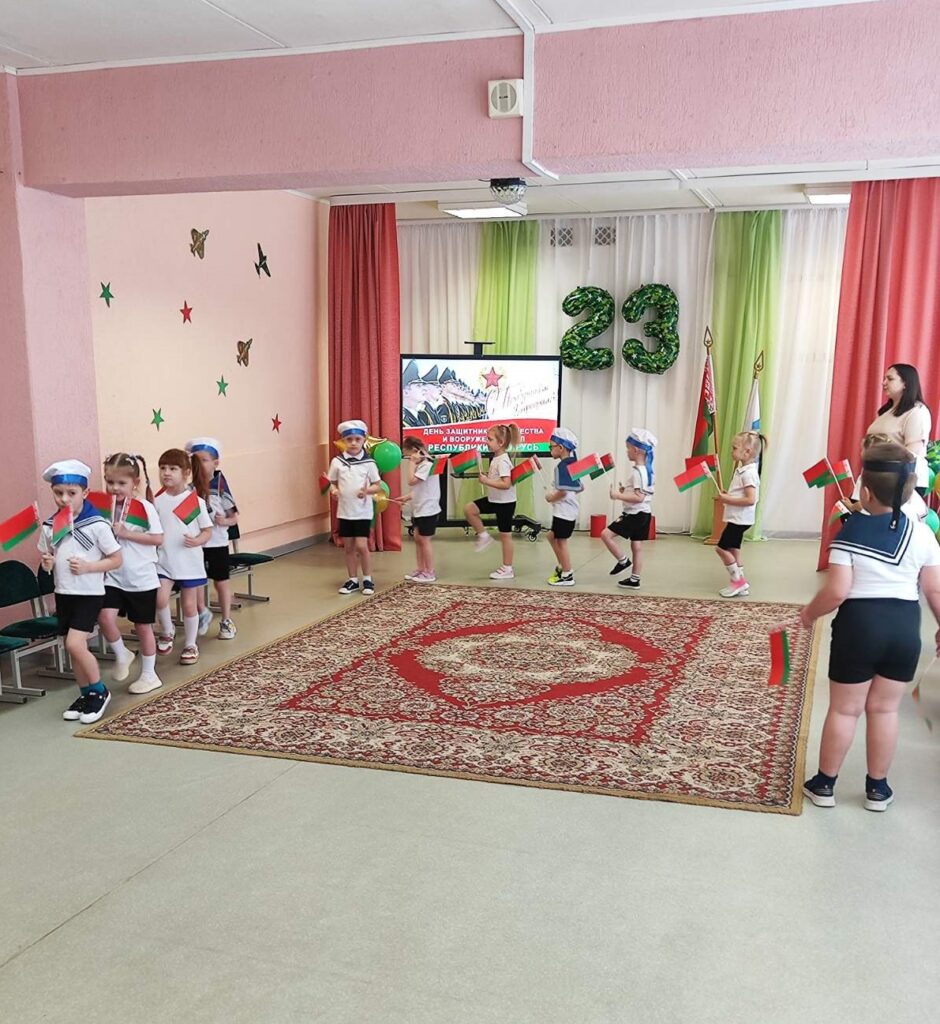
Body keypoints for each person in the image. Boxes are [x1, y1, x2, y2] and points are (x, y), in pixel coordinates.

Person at [800, 442, 940, 812]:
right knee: (885, 710)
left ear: (865, 492)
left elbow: (837, 592)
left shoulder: (849, 534)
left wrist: (808, 614)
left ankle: (825, 784)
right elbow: (934, 590)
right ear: (909, 490)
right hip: (904, 630)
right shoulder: (924, 535)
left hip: (859, 630)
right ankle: (878, 788)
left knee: (845, 710)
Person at [38, 459, 122, 725]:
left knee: (75, 643)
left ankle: (99, 690)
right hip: (64, 592)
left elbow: (116, 559)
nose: (64, 499)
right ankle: (85, 693)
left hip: (89, 593)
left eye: (71, 493)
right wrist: (48, 563)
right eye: (58, 493)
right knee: (72, 648)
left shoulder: (97, 524)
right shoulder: (51, 525)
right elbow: (49, 557)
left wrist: (89, 567)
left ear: (84, 492)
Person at [98, 452, 165, 695]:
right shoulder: (105, 509)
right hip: (113, 575)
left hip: (140, 578)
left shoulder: (144, 507)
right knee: (104, 617)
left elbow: (158, 538)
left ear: (134, 483)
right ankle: (122, 653)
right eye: (110, 482)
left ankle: (149, 674)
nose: (114, 488)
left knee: (143, 627)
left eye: (121, 483)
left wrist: (126, 533)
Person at [153, 449, 213, 665]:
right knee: (160, 598)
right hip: (164, 561)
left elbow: (207, 530)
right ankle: (167, 631)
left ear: (186, 473)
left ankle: (190, 643)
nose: (166, 473)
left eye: (172, 469)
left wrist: (197, 541)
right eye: (163, 468)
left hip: (188, 563)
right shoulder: (157, 501)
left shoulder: (194, 501)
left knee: (189, 605)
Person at [185, 437, 239, 640]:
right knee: (197, 581)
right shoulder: (189, 489)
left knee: (221, 582)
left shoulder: (221, 488)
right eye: (196, 460)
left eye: (204, 460)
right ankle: (202, 612)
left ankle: (226, 620)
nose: (200, 464)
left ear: (216, 463)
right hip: (196, 544)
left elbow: (234, 518)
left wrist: (224, 521)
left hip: (217, 543)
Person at [328, 419, 383, 596]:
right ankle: (352, 579)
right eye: (349, 439)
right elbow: (331, 482)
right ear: (344, 441)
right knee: (349, 547)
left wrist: (366, 491)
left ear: (363, 440)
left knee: (361, 546)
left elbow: (377, 485)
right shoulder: (337, 462)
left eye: (357, 439)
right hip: (345, 512)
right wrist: (334, 490)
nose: (353, 443)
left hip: (362, 512)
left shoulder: (369, 463)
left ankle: (367, 578)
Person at [601, 428, 656, 590]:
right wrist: (625, 491)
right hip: (645, 513)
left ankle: (623, 561)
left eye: (628, 448)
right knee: (637, 547)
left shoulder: (638, 472)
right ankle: (634, 579)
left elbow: (639, 497)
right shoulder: (647, 470)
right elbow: (642, 494)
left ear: (636, 450)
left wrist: (617, 495)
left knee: (605, 535)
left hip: (634, 514)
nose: (626, 451)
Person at [465, 423, 521, 581]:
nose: (486, 442)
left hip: (505, 503)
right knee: (470, 509)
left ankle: (508, 568)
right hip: (495, 500)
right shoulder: (496, 458)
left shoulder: (502, 461)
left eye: (489, 439)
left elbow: (506, 484)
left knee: (505, 536)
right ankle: (483, 535)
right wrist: (488, 478)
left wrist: (486, 481)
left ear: (500, 443)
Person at [714, 430, 766, 598]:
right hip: (738, 518)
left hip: (739, 520)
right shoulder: (743, 470)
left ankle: (737, 581)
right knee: (734, 549)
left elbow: (751, 499)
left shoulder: (748, 473)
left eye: (734, 448)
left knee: (721, 548)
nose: (732, 451)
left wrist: (727, 499)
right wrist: (728, 495)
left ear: (747, 452)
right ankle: (741, 582)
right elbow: (740, 494)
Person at [866, 363, 931, 494]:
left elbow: (912, 452)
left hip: (902, 480)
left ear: (905, 383)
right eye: (884, 378)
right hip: (878, 475)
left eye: (890, 379)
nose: (884, 383)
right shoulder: (886, 412)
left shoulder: (917, 411)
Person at [544, 427, 583, 587]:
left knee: (561, 542)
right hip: (568, 511)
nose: (549, 449)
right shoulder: (572, 464)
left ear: (560, 448)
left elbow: (563, 492)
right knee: (551, 536)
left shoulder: (562, 467)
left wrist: (550, 497)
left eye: (551, 446)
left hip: (563, 512)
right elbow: (580, 487)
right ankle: (562, 564)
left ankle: (567, 574)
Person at [400, 436, 440, 583]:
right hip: (419, 508)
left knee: (424, 540)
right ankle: (421, 568)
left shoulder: (426, 465)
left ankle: (430, 572)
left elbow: (411, 481)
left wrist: (411, 463)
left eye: (407, 455)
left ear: (415, 451)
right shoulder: (422, 465)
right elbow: (421, 488)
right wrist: (407, 497)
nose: (407, 458)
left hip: (428, 509)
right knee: (418, 538)